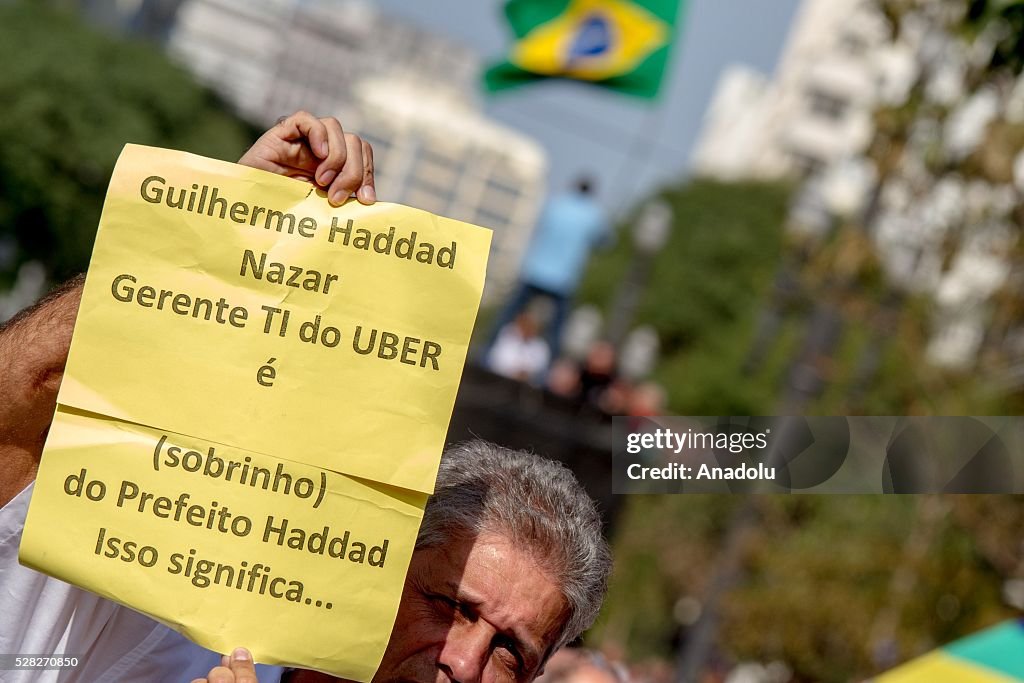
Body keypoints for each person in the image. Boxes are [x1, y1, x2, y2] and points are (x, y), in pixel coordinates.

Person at [1, 115, 612, 682]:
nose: (463, 662)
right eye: (450, 606)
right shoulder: (157, 625)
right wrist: (216, 244)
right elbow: (23, 396)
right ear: (373, 563)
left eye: (511, 651)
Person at [488, 177, 609, 361]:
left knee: (507, 316)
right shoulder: (593, 214)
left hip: (535, 270)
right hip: (563, 279)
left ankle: (486, 352)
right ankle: (548, 371)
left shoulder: (556, 203)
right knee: (556, 330)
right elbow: (604, 242)